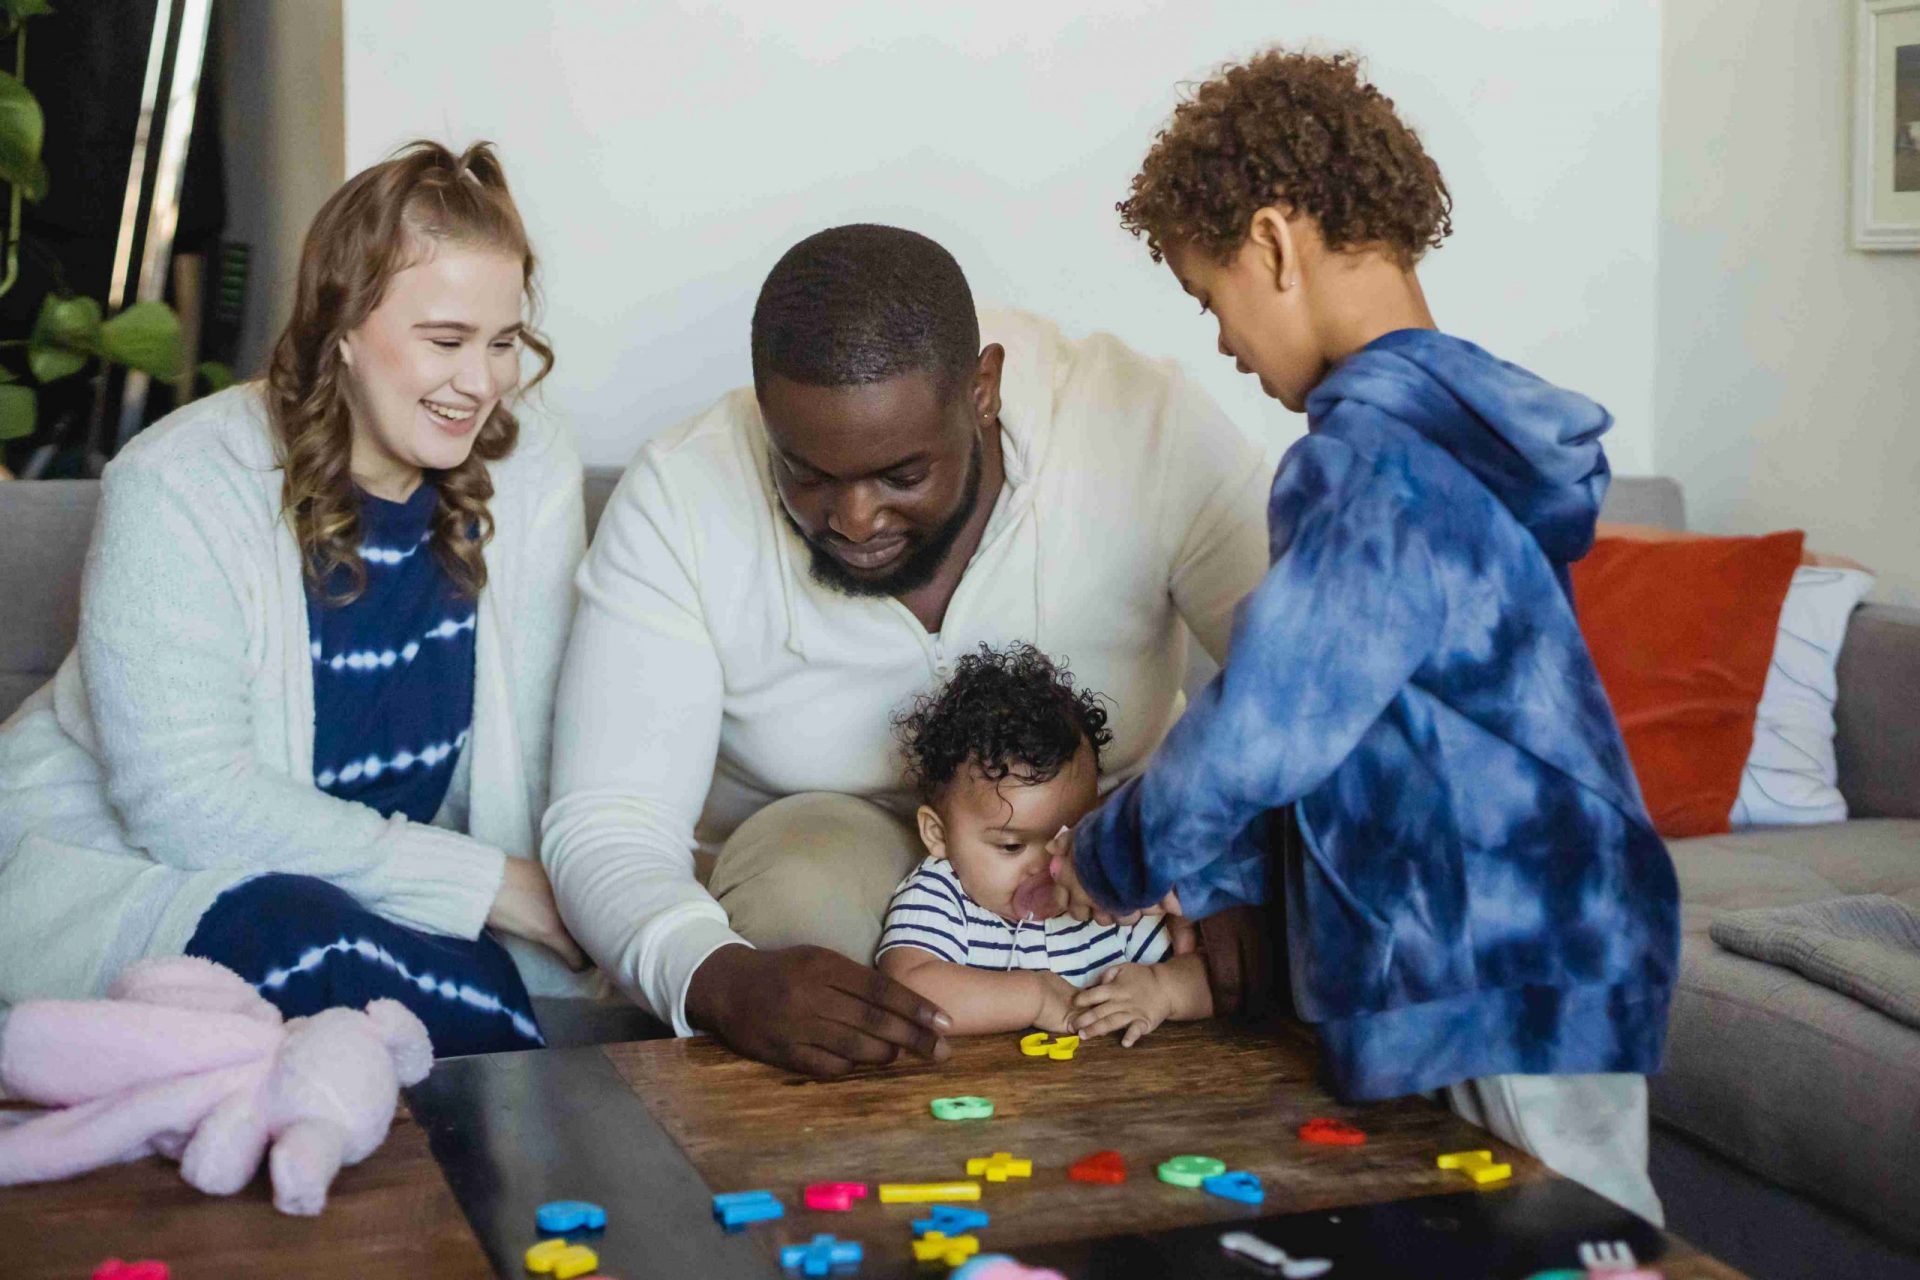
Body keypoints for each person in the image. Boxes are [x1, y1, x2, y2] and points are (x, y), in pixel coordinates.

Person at [1047, 50, 1679, 1223]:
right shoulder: (1450, 440)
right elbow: (1354, 721)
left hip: (1504, 945)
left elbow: (1271, 719)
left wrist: (1112, 853)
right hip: (1525, 928)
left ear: (1276, 246)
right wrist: (1221, 872)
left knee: (1579, 1234)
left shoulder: (1370, 466)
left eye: (1210, 298)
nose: (1225, 345)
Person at [543, 224, 1271, 1078]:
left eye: (900, 475)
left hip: (1099, 835)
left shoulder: (1138, 428)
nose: (853, 520)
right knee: (795, 900)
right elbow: (606, 822)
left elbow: (1312, 683)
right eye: (806, 473)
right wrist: (720, 977)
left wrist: (1244, 870)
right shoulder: (681, 494)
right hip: (827, 853)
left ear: (982, 392)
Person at [0, 141, 593, 1056]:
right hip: (155, 875)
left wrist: (590, 892)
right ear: (342, 328)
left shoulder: (532, 464)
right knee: (308, 944)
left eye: (503, 343)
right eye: (445, 341)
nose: (480, 384)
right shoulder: (180, 482)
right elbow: (187, 803)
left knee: (377, 963)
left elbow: (553, 735)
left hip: (396, 897)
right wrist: (485, 885)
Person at [877, 643, 1210, 1044]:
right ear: (938, 834)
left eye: (1067, 836)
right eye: (1011, 847)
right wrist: (1033, 997)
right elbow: (907, 989)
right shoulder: (941, 894)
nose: (1048, 865)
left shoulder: (1105, 887)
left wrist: (1163, 988)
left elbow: (1218, 974)